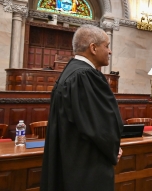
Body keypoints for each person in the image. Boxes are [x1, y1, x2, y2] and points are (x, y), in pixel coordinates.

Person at [40, 25, 124, 191]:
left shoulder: (70, 72)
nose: (110, 51)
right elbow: (101, 125)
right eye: (107, 46)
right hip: (87, 168)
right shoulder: (85, 76)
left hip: (70, 162)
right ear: (93, 48)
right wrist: (113, 148)